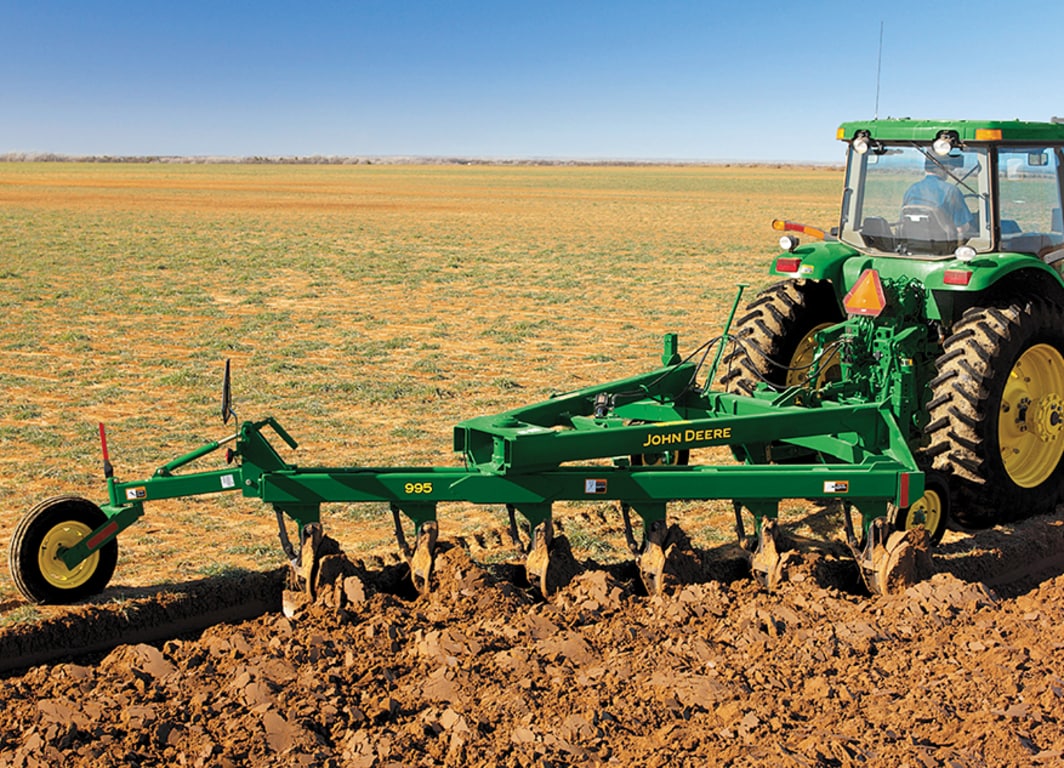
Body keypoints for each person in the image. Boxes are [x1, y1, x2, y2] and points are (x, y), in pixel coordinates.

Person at [902, 155, 975, 237]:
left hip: (914, 243)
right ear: (938, 168)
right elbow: (961, 229)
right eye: (947, 168)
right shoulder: (951, 190)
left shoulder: (911, 189)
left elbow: (904, 220)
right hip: (943, 245)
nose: (948, 172)